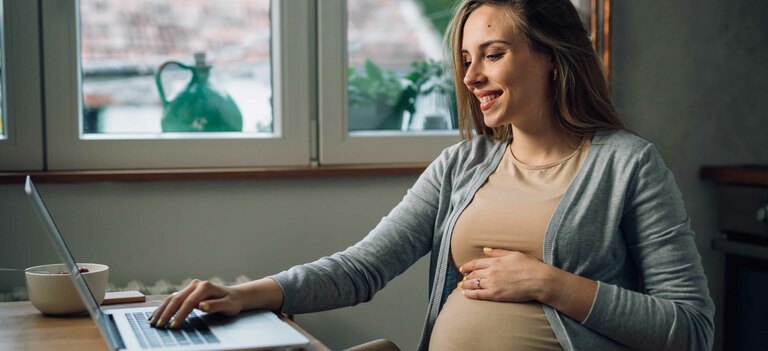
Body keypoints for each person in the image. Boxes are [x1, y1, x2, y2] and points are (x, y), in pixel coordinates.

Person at [148, 0, 715, 349]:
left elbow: (690, 329)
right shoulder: (461, 165)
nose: (471, 76)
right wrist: (244, 295)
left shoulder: (627, 164)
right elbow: (363, 267)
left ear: (551, 56)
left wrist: (548, 283)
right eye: (466, 59)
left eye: (492, 54)